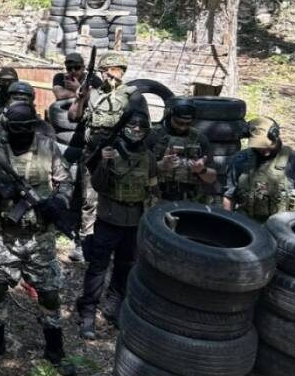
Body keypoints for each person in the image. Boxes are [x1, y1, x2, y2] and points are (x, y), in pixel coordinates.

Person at [0, 103, 76, 376]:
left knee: (49, 294)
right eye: (15, 129)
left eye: (26, 128)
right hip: (1, 237)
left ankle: (55, 348)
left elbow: (65, 182)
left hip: (39, 236)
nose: (20, 134)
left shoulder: (47, 146)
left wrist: (59, 201)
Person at [75, 109, 158, 340]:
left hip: (134, 222)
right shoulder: (110, 151)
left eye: (141, 127)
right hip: (109, 219)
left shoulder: (149, 157)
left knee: (125, 267)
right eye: (133, 125)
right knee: (98, 267)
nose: (136, 130)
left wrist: (152, 218)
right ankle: (88, 311)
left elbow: (153, 189)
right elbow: (98, 185)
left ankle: (115, 306)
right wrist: (104, 162)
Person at [67, 51, 138, 253]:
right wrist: (80, 99)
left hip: (119, 158)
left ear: (122, 72)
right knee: (89, 201)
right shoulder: (93, 94)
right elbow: (73, 117)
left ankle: (116, 245)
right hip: (92, 156)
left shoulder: (132, 96)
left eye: (114, 70)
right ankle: (86, 243)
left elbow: (141, 127)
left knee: (117, 199)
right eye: (105, 71)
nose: (109, 74)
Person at [223, 117, 295, 220]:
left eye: (266, 144)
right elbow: (229, 197)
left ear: (276, 136)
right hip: (248, 224)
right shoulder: (239, 160)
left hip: (284, 225)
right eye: (258, 145)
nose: (262, 148)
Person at [148, 98, 217, 203]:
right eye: (178, 122)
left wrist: (201, 170)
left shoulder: (200, 139)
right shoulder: (153, 135)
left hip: (190, 200)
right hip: (156, 197)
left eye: (188, 123)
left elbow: (212, 178)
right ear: (169, 116)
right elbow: (137, 173)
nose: (182, 127)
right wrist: (161, 166)